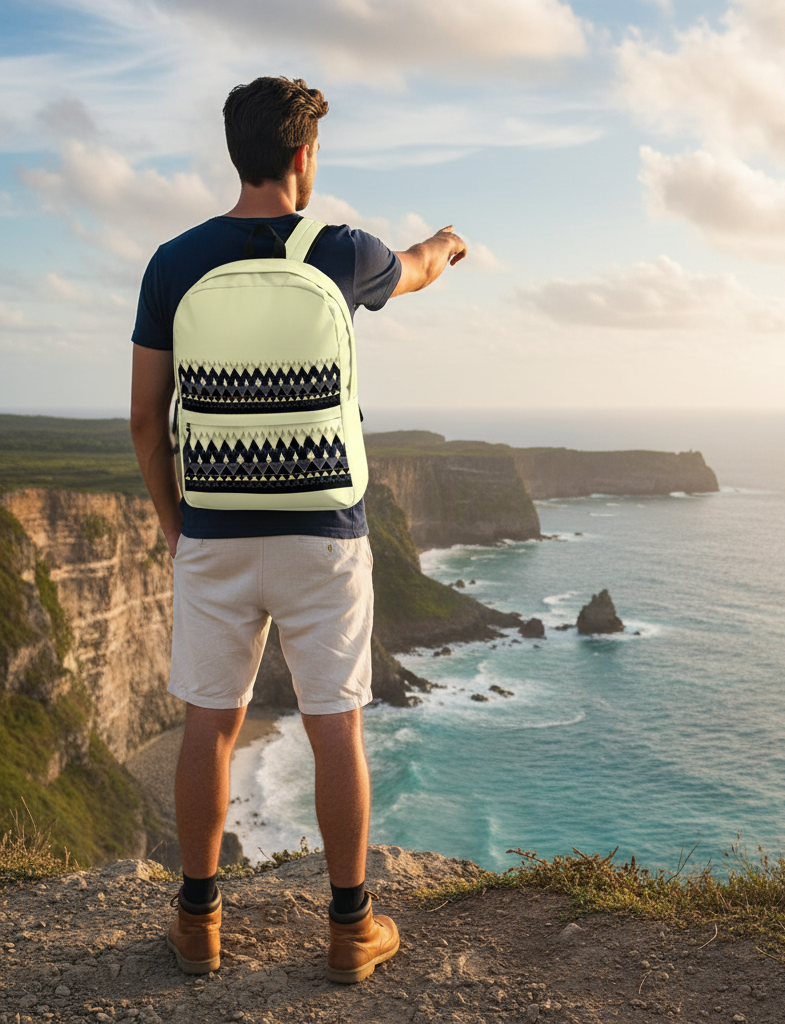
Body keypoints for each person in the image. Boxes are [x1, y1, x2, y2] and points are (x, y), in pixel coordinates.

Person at [129, 76, 466, 983]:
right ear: (303, 156)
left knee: (210, 727)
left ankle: (199, 923)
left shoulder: (175, 263)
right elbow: (422, 266)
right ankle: (351, 930)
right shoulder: (342, 252)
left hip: (214, 530)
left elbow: (144, 422)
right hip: (325, 534)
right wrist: (447, 242)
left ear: (237, 152)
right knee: (336, 728)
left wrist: (178, 529)